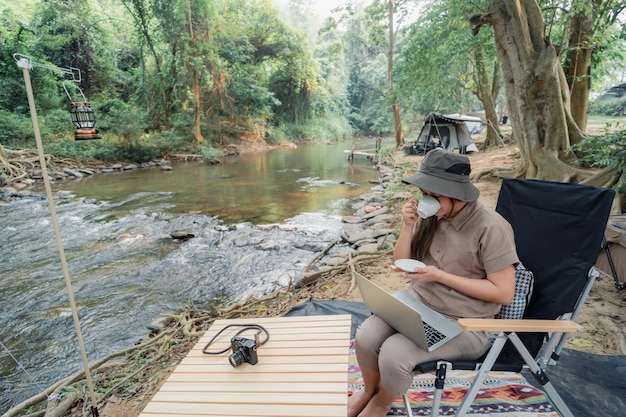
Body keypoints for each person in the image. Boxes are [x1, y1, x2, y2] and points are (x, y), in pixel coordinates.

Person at [348, 148, 519, 417]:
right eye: (424, 193)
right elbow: (402, 260)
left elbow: (504, 293)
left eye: (433, 194)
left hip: (465, 323)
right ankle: (368, 391)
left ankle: (382, 401)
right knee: (366, 336)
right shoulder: (433, 217)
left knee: (394, 354)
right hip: (418, 303)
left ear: (455, 193)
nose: (425, 199)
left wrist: (439, 275)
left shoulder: (492, 228)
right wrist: (407, 226)